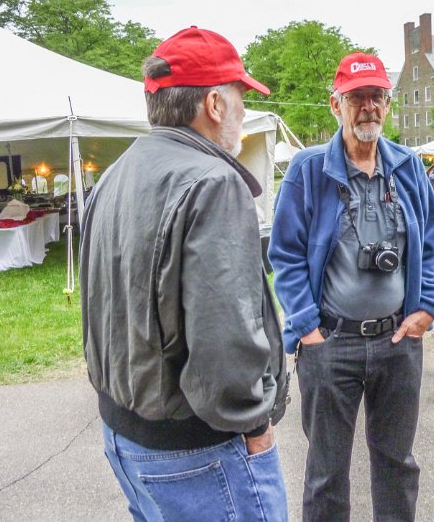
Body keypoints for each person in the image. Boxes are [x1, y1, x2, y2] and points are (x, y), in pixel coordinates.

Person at [79, 26, 289, 522]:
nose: (243, 111)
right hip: (195, 450)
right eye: (240, 97)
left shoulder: (116, 172)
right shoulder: (213, 181)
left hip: (125, 432)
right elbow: (226, 334)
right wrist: (254, 424)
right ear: (215, 104)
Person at [268, 52, 434, 521]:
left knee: (397, 465)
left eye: (377, 96)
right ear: (336, 104)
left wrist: (426, 306)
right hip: (331, 343)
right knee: (326, 474)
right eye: (357, 97)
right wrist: (307, 328)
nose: (368, 107)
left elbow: (429, 244)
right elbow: (284, 255)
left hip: (398, 341)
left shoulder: (407, 167)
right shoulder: (308, 171)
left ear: (388, 103)